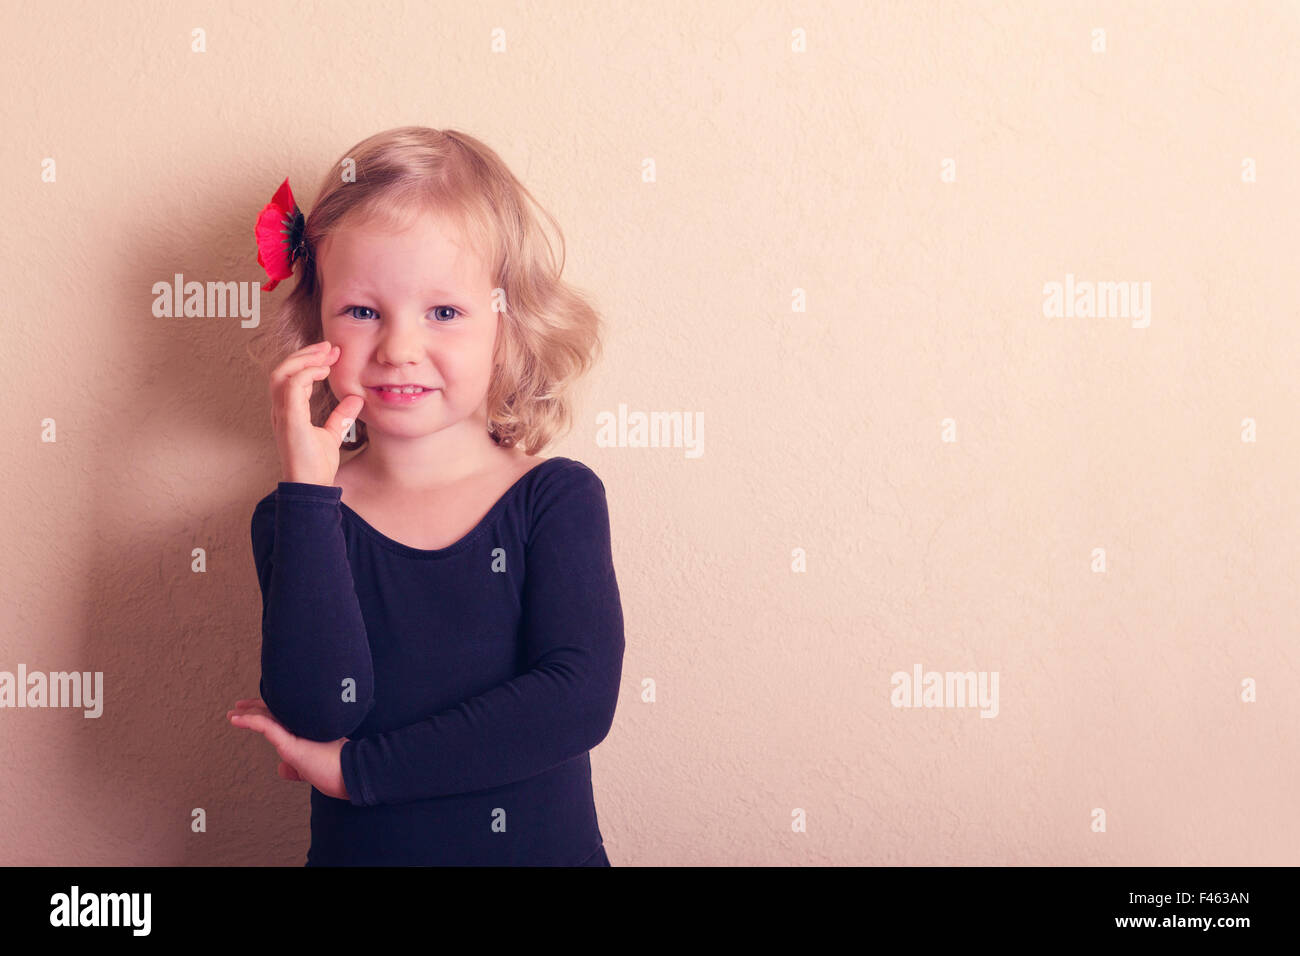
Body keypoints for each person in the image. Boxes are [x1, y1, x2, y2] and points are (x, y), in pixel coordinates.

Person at [227, 127, 623, 866]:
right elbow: (320, 709)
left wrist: (357, 773)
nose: (399, 347)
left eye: (443, 312)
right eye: (363, 312)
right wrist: (310, 498)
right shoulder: (295, 517)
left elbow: (574, 701)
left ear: (508, 328)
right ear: (315, 327)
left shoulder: (555, 500)